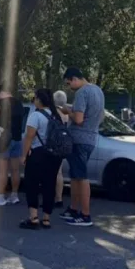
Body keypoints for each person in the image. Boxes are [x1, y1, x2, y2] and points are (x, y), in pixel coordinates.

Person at [59, 67, 105, 227]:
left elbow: (78, 119)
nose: (69, 87)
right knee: (75, 176)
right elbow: (101, 116)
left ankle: (85, 215)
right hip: (91, 137)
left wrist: (67, 111)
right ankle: (73, 209)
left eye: (69, 83)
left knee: (81, 177)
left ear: (74, 79)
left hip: (79, 139)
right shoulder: (98, 91)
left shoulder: (82, 93)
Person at [19, 89, 65, 229]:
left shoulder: (35, 116)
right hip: (54, 155)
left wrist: (24, 155)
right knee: (49, 185)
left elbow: (29, 136)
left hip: (38, 153)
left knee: (32, 185)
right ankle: (46, 219)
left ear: (39, 100)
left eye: (35, 97)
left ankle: (33, 217)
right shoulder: (57, 115)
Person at [0, 87, 25, 206]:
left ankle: (0, 196)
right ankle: (14, 195)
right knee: (15, 170)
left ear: (0, 93)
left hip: (4, 139)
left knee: (2, 170)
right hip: (17, 138)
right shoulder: (19, 104)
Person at [52, 90, 70, 208]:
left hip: (54, 144)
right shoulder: (67, 113)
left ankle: (52, 197)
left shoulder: (54, 113)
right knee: (59, 172)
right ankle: (59, 198)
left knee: (51, 172)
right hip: (64, 144)